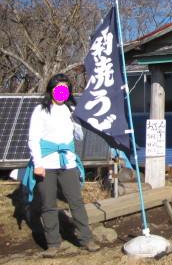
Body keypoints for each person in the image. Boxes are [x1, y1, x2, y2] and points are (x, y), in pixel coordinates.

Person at [23, 73, 100, 257]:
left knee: (76, 202)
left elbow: (79, 137)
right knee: (48, 204)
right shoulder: (40, 111)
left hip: (68, 163)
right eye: (58, 88)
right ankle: (53, 244)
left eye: (65, 89)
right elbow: (33, 139)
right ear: (51, 90)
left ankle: (86, 239)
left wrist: (78, 123)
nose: (62, 92)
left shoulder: (71, 110)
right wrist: (38, 164)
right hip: (46, 164)